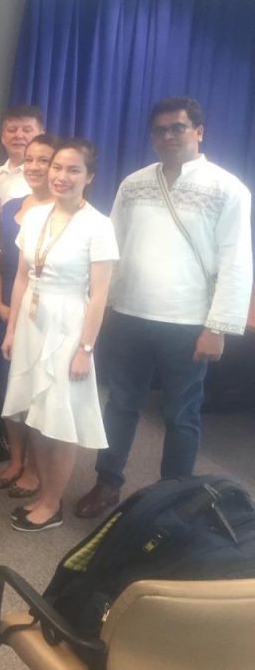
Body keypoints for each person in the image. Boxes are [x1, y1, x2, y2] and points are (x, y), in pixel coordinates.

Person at [75, 97, 253, 520]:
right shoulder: (133, 183)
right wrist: (97, 309)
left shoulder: (228, 188)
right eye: (160, 130)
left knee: (181, 414)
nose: (169, 136)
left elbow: (237, 261)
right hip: (129, 314)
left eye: (178, 127)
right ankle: (107, 482)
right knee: (121, 404)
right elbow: (110, 247)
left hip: (189, 324)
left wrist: (219, 327)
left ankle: (171, 500)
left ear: (199, 132)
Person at [1, 140, 119, 531]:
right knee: (36, 412)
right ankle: (43, 490)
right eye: (57, 167)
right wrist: (12, 327)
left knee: (60, 416)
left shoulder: (98, 225)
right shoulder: (34, 215)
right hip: (32, 321)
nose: (62, 176)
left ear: (90, 177)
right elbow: (21, 278)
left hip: (69, 324)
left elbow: (99, 295)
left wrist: (85, 348)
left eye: (73, 170)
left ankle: (52, 503)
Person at [0, 134, 58, 497]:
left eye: (44, 160)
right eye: (30, 160)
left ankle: (34, 467)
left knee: (36, 391)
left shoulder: (66, 209)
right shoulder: (11, 205)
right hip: (4, 310)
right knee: (8, 389)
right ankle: (15, 460)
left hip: (43, 314)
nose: (35, 167)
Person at [0, 105, 46, 204]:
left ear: (41, 136)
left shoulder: (47, 178)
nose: (19, 136)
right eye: (12, 130)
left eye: (27, 130)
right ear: (3, 137)